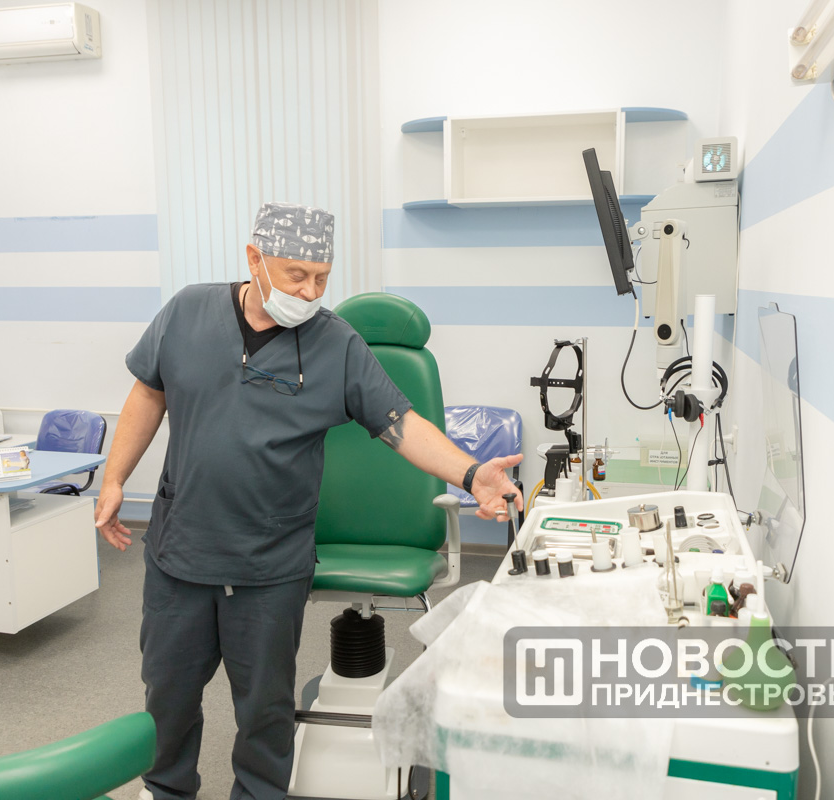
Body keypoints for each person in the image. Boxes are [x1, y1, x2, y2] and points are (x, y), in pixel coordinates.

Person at [94, 202, 522, 800]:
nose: (310, 291)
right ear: (254, 259)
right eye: (296, 275)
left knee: (265, 709)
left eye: (322, 277)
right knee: (167, 696)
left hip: (270, 561)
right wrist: (115, 477)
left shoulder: (335, 343)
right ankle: (165, 790)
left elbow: (401, 425)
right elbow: (149, 391)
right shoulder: (187, 311)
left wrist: (472, 473)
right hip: (182, 549)